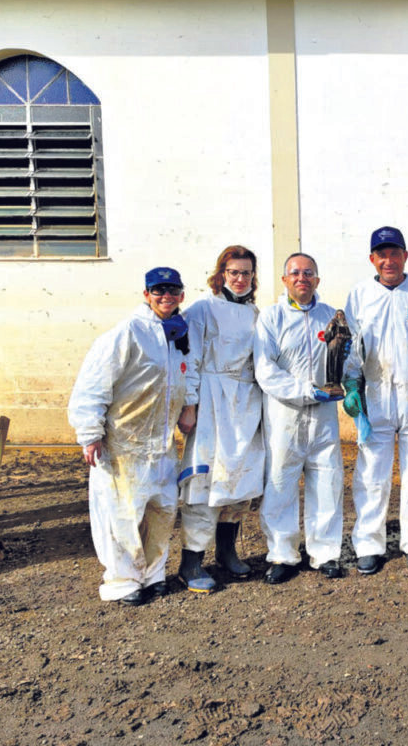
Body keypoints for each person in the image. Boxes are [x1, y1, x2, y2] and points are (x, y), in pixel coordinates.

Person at [67, 267, 195, 605]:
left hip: (161, 445)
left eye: (172, 290)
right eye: (158, 290)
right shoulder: (127, 333)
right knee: (121, 515)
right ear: (146, 294)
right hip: (123, 444)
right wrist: (91, 433)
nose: (165, 296)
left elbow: (187, 373)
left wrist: (189, 405)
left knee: (161, 510)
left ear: (181, 295)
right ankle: (123, 581)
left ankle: (153, 575)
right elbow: (93, 386)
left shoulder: (178, 334)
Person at [342, 226, 408, 575]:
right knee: (372, 473)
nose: (389, 260)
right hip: (376, 393)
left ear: (405, 255)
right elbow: (351, 347)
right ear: (372, 258)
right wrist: (353, 386)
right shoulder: (359, 294)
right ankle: (370, 544)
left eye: (394, 252)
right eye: (381, 254)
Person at [176, 246, 266, 593]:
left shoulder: (257, 313)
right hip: (213, 399)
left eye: (246, 273)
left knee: (240, 476)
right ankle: (192, 561)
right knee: (205, 479)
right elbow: (191, 359)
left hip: (245, 401)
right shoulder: (203, 309)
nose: (240, 279)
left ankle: (227, 551)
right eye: (234, 272)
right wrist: (190, 404)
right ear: (221, 274)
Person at [254, 252, 345, 582]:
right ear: (284, 280)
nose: (301, 278)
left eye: (308, 273)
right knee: (280, 482)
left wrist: (346, 382)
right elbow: (266, 371)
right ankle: (282, 554)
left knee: (327, 481)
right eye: (295, 273)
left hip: (323, 418)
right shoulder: (271, 318)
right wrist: (308, 390)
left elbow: (346, 358)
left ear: (317, 280)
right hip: (285, 416)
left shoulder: (331, 317)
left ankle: (325, 553)